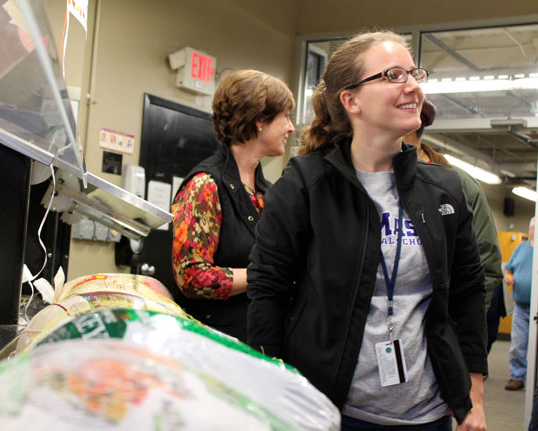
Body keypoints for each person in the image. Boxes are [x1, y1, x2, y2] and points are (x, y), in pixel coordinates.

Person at [247, 31, 487, 431]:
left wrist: (473, 397)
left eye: (413, 73)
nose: (412, 85)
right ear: (351, 100)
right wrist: (272, 392)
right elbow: (267, 290)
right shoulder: (306, 185)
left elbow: (467, 292)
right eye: (393, 75)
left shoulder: (444, 189)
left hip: (429, 412)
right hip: (330, 410)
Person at [171, 69, 295, 342]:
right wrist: (263, 276)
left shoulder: (267, 192)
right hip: (211, 347)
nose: (291, 127)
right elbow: (191, 276)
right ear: (260, 120)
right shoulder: (205, 185)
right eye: (285, 116)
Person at [403, 101, 504, 354]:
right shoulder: (376, 181)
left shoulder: (458, 186)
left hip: (444, 334)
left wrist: (458, 330)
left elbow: (487, 266)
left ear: (414, 129)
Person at [503, 217, 535, 391]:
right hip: (521, 306)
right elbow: (508, 269)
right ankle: (517, 376)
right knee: (518, 344)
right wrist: (508, 277)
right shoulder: (520, 248)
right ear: (530, 230)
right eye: (534, 228)